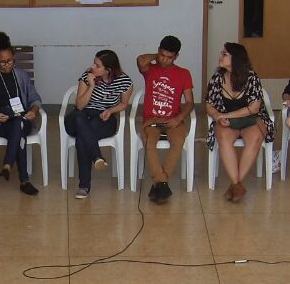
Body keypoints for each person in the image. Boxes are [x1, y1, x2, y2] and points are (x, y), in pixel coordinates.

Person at [206, 42, 274, 202]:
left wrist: (228, 115)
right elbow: (208, 104)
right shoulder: (217, 78)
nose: (220, 56)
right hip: (226, 121)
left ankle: (235, 184)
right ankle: (237, 185)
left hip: (251, 120)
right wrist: (217, 116)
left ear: (235, 59)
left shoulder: (251, 77)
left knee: (255, 139)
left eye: (225, 54)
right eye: (221, 53)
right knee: (223, 139)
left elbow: (255, 107)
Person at [0, 31, 42, 195]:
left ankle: (8, 165)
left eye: (9, 61)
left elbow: (35, 97)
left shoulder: (21, 75)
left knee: (18, 124)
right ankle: (24, 180)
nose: (6, 65)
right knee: (17, 129)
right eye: (2, 62)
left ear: (14, 56)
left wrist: (33, 111)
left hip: (22, 118)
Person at [135, 35, 195, 203]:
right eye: (162, 55)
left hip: (173, 120)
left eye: (170, 57)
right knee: (149, 142)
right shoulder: (151, 69)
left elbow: (190, 102)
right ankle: (162, 183)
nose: (165, 60)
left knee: (178, 142)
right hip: (151, 120)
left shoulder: (184, 74)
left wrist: (179, 118)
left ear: (176, 56)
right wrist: (156, 56)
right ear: (158, 51)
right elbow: (140, 60)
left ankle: (159, 185)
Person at [66, 49, 133, 199]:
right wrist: (91, 86)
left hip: (103, 117)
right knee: (79, 119)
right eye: (94, 63)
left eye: (97, 65)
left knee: (83, 138)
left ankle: (84, 186)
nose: (92, 67)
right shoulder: (87, 77)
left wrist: (110, 110)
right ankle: (97, 156)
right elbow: (79, 106)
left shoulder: (124, 81)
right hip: (80, 116)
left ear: (108, 69)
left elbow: (123, 104)